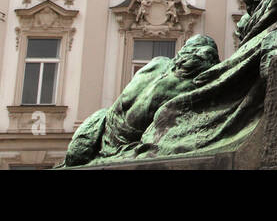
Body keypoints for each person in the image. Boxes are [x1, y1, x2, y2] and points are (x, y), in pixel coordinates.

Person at [62, 34, 219, 166]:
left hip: (101, 122)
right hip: (122, 142)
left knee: (73, 159)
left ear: (183, 51)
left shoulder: (159, 62)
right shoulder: (195, 86)